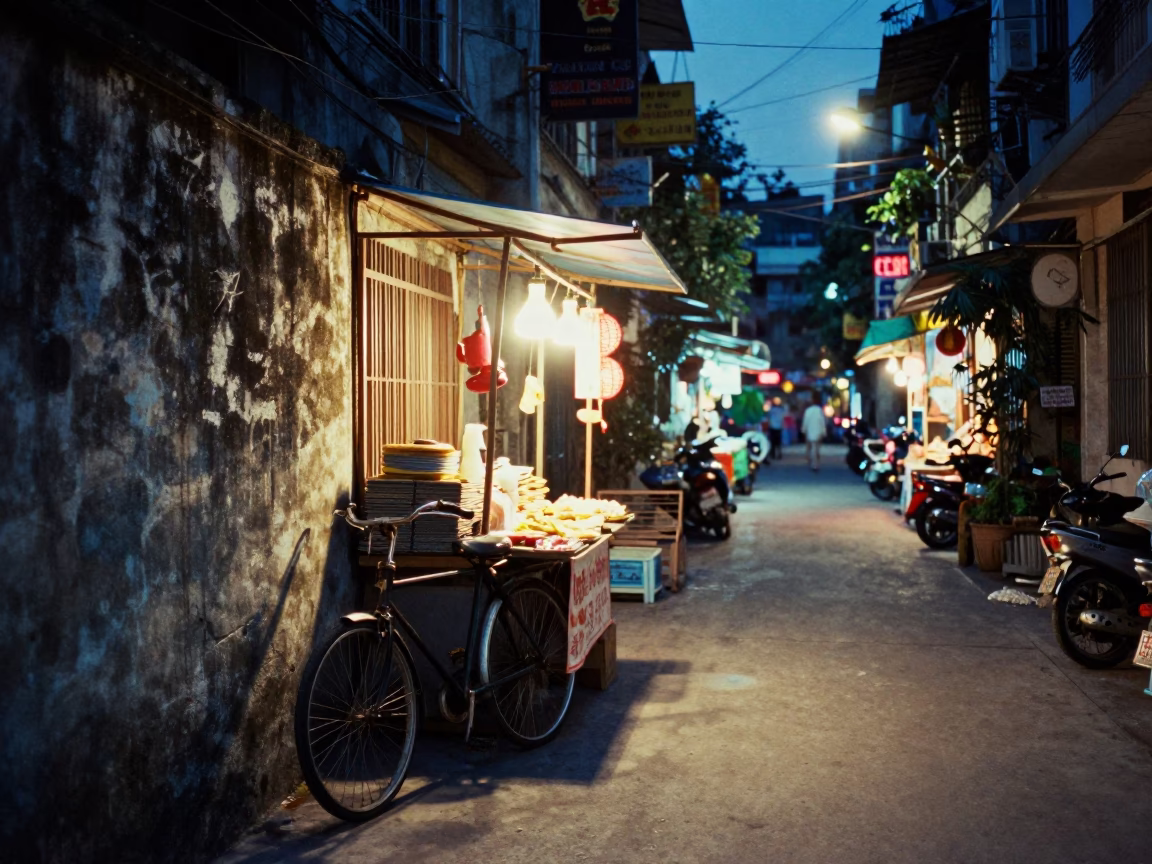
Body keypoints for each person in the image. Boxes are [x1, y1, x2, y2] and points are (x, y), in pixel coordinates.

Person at [801, 396, 826, 471]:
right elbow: (822, 421)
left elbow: (805, 421)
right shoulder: (819, 410)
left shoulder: (808, 411)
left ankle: (814, 463)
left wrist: (804, 429)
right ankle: (815, 463)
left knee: (812, 447)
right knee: (816, 447)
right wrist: (824, 431)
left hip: (810, 430)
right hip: (818, 430)